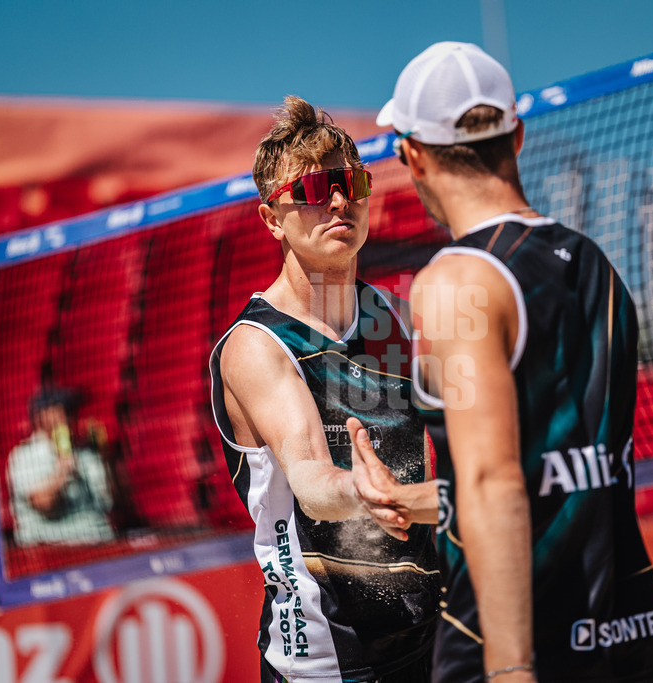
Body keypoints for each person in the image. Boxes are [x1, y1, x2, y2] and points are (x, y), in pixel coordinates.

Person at [356, 42, 653, 682]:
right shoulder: (597, 263)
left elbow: (494, 483)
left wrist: (510, 669)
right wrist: (414, 500)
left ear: (412, 155)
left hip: (526, 643)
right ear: (517, 135)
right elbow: (557, 474)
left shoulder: (455, 282)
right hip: (633, 634)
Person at [208, 96, 441, 683]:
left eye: (350, 183)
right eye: (311, 191)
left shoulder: (396, 316)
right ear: (271, 219)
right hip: (327, 659)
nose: (338, 201)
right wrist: (364, 490)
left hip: (431, 636)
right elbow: (310, 479)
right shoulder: (257, 344)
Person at [7, 386, 115, 546]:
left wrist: (107, 457)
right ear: (40, 416)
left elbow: (110, 503)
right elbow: (45, 505)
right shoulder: (23, 455)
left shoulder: (87, 453)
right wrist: (62, 474)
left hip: (95, 540)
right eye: (60, 409)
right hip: (49, 546)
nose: (67, 416)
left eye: (70, 409)